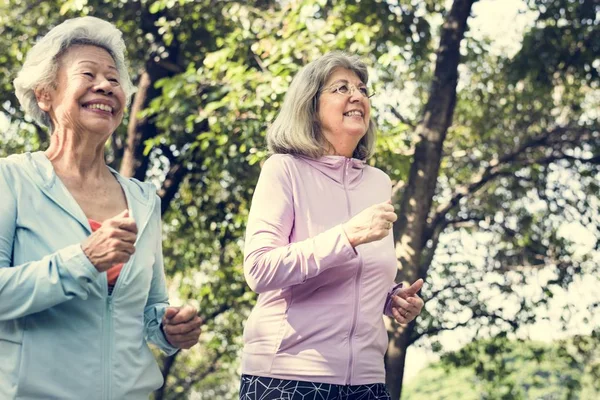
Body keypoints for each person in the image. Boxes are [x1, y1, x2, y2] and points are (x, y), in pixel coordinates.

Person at [0, 16, 201, 399]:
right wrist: (83, 259)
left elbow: (149, 307)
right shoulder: (11, 181)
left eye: (113, 78)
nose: (106, 86)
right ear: (45, 94)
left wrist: (169, 328)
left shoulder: (142, 200)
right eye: (88, 74)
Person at [239, 52, 425, 400]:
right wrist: (348, 235)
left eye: (362, 89)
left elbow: (357, 276)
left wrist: (392, 299)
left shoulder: (378, 183)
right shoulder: (284, 169)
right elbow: (259, 269)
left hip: (367, 382)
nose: (357, 96)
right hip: (288, 377)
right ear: (311, 106)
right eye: (341, 88)